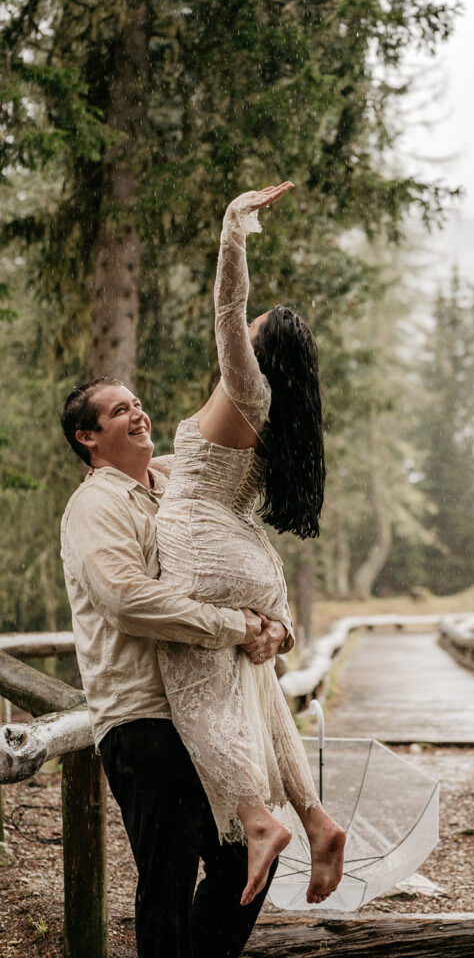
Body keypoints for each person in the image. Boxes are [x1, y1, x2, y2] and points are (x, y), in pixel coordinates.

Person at [154, 181, 345, 908]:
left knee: (192, 684)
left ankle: (252, 817)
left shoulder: (248, 386)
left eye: (258, 328)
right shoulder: (284, 417)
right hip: (243, 552)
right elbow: (201, 472)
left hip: (204, 548)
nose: (248, 327)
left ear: (262, 349)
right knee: (263, 697)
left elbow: (225, 308)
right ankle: (314, 816)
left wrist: (235, 224)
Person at [60, 377, 283, 958]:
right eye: (117, 411)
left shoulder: (172, 483)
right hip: (144, 717)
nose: (137, 414)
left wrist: (277, 624)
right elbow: (127, 600)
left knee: (245, 854)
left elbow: (234, 550)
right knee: (169, 875)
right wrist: (234, 625)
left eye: (136, 402)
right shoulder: (95, 505)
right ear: (88, 437)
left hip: (206, 708)